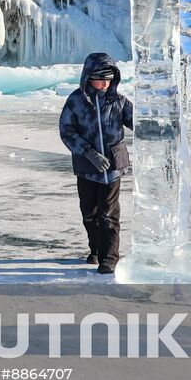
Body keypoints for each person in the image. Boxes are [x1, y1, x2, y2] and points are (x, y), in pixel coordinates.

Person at [58, 53, 134, 274]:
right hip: (86, 168)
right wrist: (88, 153)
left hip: (112, 168)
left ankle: (109, 258)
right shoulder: (76, 102)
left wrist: (162, 128)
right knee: (89, 213)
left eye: (109, 79)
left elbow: (140, 123)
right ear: (88, 77)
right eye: (101, 78)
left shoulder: (119, 102)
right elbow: (67, 131)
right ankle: (96, 248)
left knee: (108, 213)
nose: (105, 84)